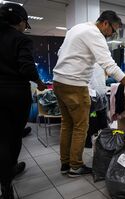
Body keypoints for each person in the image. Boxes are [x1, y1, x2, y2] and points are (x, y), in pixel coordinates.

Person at [52, 10, 125, 178]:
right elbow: (110, 67)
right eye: (113, 29)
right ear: (105, 23)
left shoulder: (77, 28)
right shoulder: (96, 35)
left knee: (67, 124)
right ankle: (75, 166)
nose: (113, 34)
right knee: (81, 127)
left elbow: (60, 53)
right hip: (75, 85)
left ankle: (65, 164)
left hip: (58, 82)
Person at [0, 3, 46, 199]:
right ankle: (8, 179)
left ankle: (6, 179)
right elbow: (26, 67)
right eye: (25, 24)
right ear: (19, 21)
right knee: (14, 136)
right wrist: (39, 82)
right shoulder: (20, 39)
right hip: (15, 93)